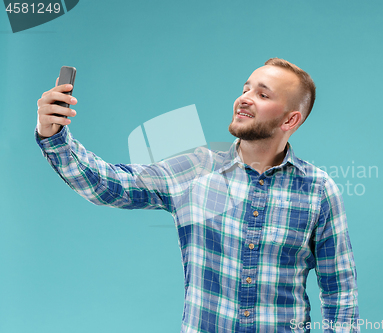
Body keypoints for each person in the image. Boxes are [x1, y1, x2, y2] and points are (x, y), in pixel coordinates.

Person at [36, 58, 359, 332]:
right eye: (246, 88)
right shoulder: (195, 170)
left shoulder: (317, 189)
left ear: (290, 119)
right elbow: (109, 185)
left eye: (262, 94)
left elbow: (340, 290)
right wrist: (54, 135)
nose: (245, 98)